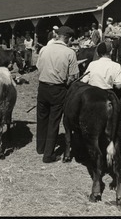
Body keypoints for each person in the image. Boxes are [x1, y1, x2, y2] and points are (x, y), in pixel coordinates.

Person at [36, 26, 79, 163]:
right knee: (54, 121)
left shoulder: (44, 49)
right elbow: (73, 76)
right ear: (67, 38)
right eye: (71, 38)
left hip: (42, 87)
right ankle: (48, 155)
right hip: (58, 89)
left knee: (42, 118)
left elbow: (38, 66)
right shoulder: (70, 52)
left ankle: (40, 147)